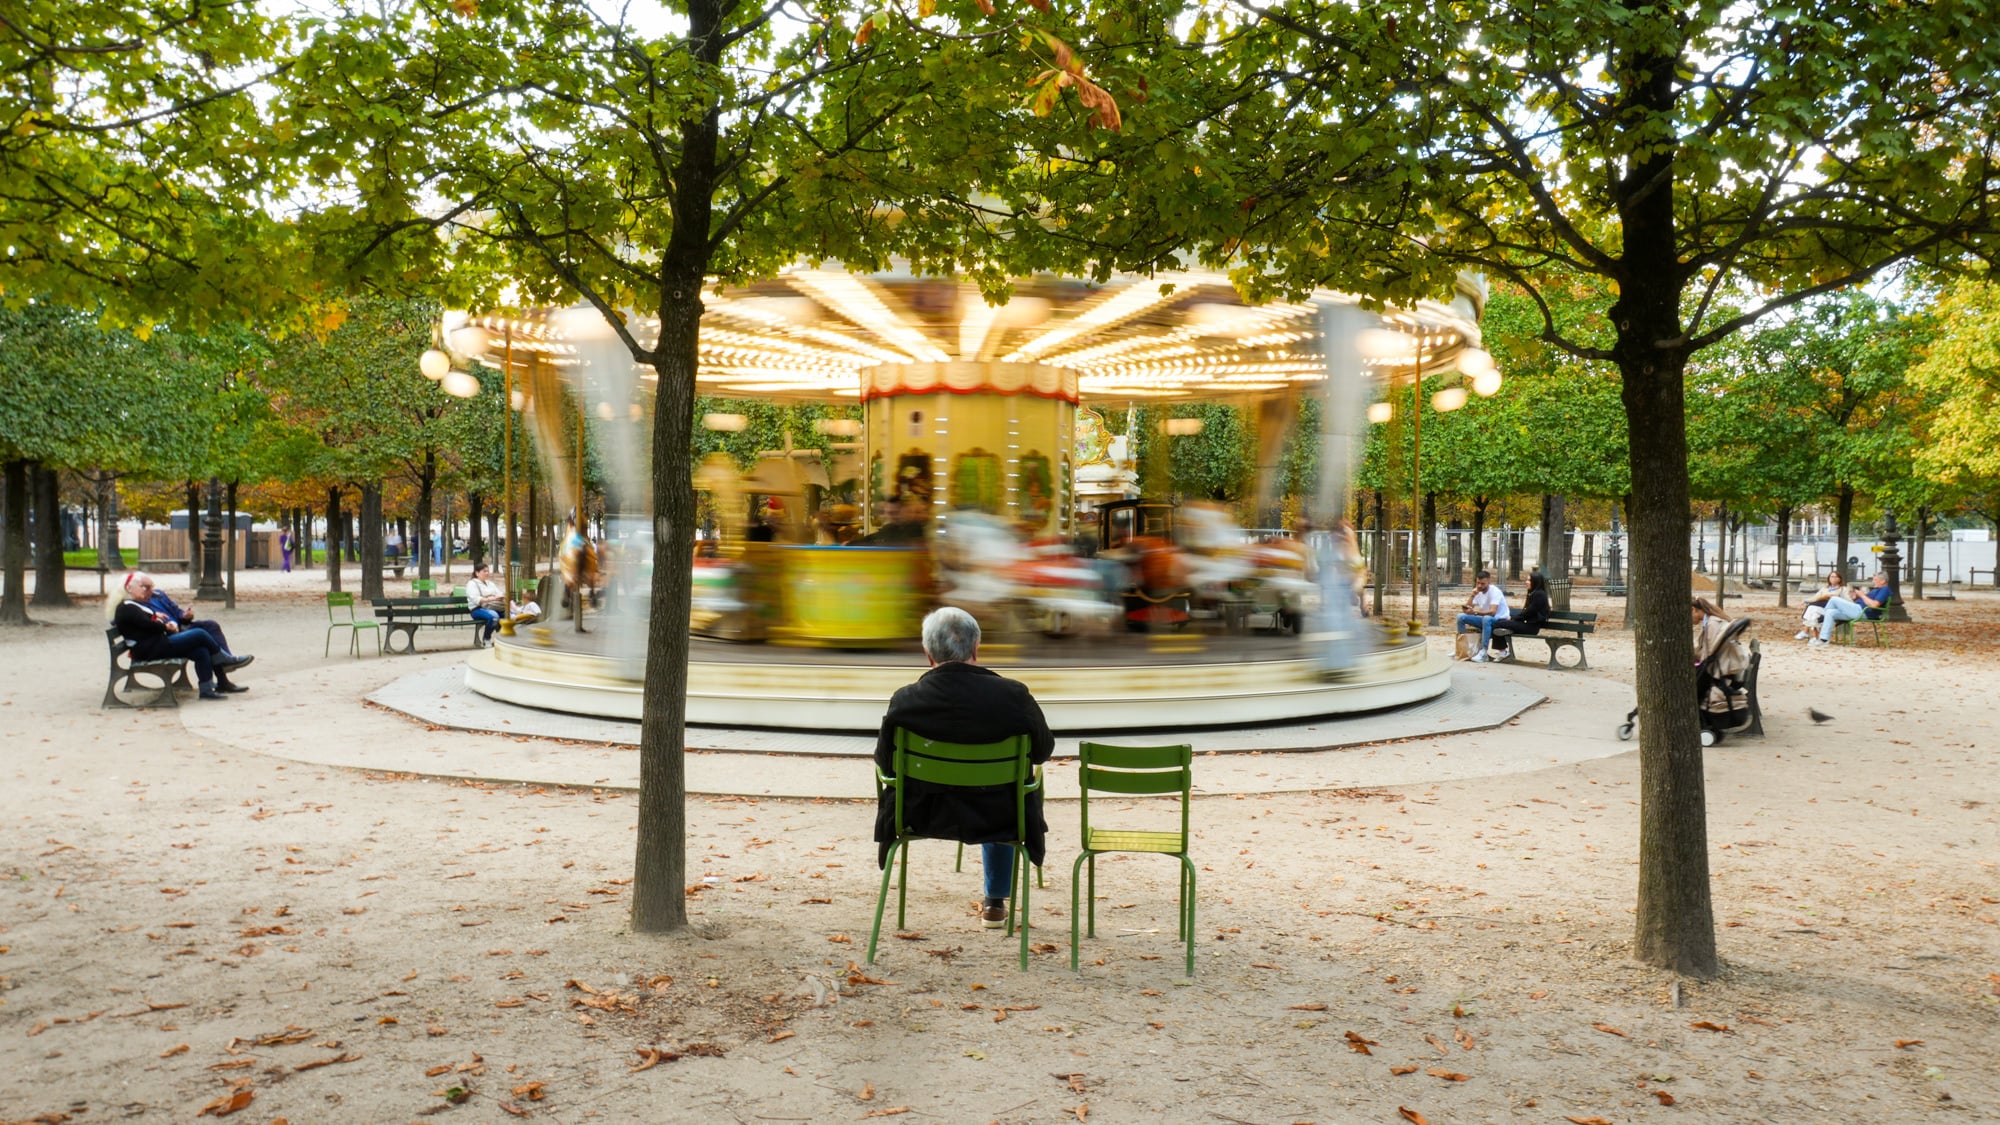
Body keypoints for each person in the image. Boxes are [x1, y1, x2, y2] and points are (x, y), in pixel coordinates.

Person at [875, 607, 1055, 929]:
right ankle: (996, 902)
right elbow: (1042, 752)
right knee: (1010, 788)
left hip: (922, 813)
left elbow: (885, 764)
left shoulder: (905, 701)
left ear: (928, 654)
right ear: (976, 649)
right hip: (999, 815)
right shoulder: (1014, 696)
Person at [108, 572, 252, 699]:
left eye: (150, 587)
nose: (148, 591)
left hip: (158, 643)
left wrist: (166, 619)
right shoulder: (127, 607)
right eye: (144, 587)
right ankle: (224, 659)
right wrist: (165, 625)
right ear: (129, 588)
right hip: (152, 647)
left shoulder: (137, 605)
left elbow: (149, 621)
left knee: (201, 650)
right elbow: (148, 625)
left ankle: (207, 690)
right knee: (200, 634)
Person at [143, 581, 237, 667]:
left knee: (211, 625)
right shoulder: (138, 605)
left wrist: (185, 616)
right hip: (169, 635)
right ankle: (224, 663)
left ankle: (227, 659)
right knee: (202, 642)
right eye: (146, 587)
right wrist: (163, 623)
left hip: (182, 627)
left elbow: (177, 611)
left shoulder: (159, 594)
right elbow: (149, 625)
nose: (151, 590)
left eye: (151, 586)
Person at [1811, 572, 1890, 647]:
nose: (1873, 581)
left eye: (1875, 580)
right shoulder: (1876, 589)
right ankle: (1824, 639)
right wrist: (1856, 597)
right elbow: (1866, 601)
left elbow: (1874, 605)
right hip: (1857, 609)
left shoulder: (1884, 590)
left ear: (1883, 581)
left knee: (1834, 599)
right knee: (1830, 612)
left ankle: (1820, 620)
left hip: (1863, 612)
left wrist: (1862, 595)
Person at [1490, 571, 1551, 660]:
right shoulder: (1534, 593)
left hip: (1531, 627)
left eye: (1529, 580)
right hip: (1527, 624)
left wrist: (1513, 619)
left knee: (1497, 624)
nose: (1526, 582)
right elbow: (1526, 613)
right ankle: (1505, 638)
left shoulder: (1539, 594)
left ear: (1536, 582)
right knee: (1499, 623)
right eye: (1527, 580)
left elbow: (1529, 612)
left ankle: (1503, 651)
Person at [1454, 570, 1511, 663]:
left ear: (1489, 582)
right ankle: (1463, 648)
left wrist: (1475, 612)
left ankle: (1484, 652)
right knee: (1461, 617)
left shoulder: (1495, 592)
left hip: (1499, 619)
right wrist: (1472, 596)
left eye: (1483, 584)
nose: (1480, 586)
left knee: (1486, 618)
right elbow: (1466, 609)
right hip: (1485, 619)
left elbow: (1493, 612)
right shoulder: (1478, 591)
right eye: (1478, 583)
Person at [1795, 569, 1844, 640]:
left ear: (1839, 579)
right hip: (1821, 607)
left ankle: (1806, 632)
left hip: (1831, 609)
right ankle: (1815, 637)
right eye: (1831, 577)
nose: (1833, 578)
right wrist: (1806, 600)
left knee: (1812, 608)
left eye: (1835, 577)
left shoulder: (1841, 589)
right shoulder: (1825, 588)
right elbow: (1816, 597)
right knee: (1813, 613)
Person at [466, 564, 507, 647]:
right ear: (477, 573)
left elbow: (499, 593)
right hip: (477, 609)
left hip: (493, 607)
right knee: (494, 616)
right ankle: (486, 639)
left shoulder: (490, 583)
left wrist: (495, 597)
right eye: (484, 571)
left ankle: (501, 639)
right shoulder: (472, 584)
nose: (487, 573)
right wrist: (491, 598)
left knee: (508, 615)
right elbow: (476, 599)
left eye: (488, 571)